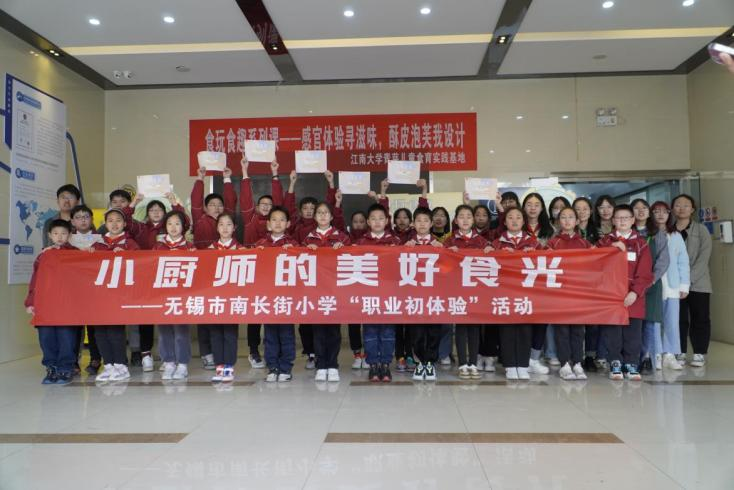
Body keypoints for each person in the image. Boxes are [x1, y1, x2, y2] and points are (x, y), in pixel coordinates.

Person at [597, 204, 653, 381]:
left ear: (633, 220)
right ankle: (615, 363)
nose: (622, 221)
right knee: (612, 333)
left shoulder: (641, 244)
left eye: (626, 218)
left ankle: (631, 364)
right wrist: (611, 249)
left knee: (633, 334)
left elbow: (645, 273)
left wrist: (635, 293)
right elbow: (596, 263)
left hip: (633, 298)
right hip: (611, 297)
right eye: (618, 218)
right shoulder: (604, 242)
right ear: (613, 221)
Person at [190, 165, 236, 370]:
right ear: (205, 208)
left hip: (227, 277)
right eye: (212, 205)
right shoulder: (200, 220)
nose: (216, 208)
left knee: (224, 317)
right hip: (204, 275)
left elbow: (232, 202)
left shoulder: (227, 223)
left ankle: (225, 360)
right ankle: (207, 354)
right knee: (205, 316)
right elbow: (195, 202)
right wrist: (200, 179)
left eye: (220, 205)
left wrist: (227, 179)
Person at [26, 219, 79, 385]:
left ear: (69, 235)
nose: (60, 237)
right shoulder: (44, 255)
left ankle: (65, 368)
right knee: (46, 337)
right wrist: (31, 302)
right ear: (50, 235)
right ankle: (51, 367)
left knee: (66, 337)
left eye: (63, 233)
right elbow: (35, 279)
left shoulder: (75, 253)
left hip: (66, 305)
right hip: (45, 304)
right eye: (56, 233)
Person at [444, 205, 494, 380]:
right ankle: (462, 364)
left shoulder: (481, 241)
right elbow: (441, 265)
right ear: (456, 220)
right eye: (461, 216)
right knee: (460, 327)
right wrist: (448, 254)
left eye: (468, 216)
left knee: (474, 327)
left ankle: (473, 363)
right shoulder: (449, 241)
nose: (465, 220)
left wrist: (489, 251)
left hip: (476, 290)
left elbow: (492, 262)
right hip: (457, 289)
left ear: (473, 220)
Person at [303, 202, 351, 382]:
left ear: (331, 217)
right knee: (318, 331)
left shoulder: (342, 237)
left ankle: (333, 365)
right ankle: (321, 365)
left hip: (335, 291)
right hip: (316, 292)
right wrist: (307, 250)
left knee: (333, 331)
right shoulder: (308, 238)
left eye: (326, 213)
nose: (323, 216)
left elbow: (353, 258)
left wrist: (343, 248)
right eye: (319, 213)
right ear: (315, 217)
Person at [491, 208, 541, 380]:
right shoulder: (497, 243)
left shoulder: (533, 243)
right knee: (507, 329)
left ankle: (523, 365)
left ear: (523, 221)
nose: (514, 220)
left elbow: (546, 261)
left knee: (525, 329)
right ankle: (510, 365)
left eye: (518, 217)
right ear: (504, 222)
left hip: (526, 292)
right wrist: (498, 254)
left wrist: (534, 255)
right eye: (510, 218)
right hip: (504, 292)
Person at [91, 208, 140, 382]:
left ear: (125, 224)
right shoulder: (98, 244)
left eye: (118, 220)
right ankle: (109, 365)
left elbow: (141, 264)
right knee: (99, 332)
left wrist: (127, 255)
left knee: (115, 330)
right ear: (105, 224)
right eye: (110, 220)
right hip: (99, 295)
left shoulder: (130, 244)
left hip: (119, 295)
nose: (114, 224)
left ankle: (121, 365)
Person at [357, 203, 402, 382]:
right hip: (368, 294)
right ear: (368, 221)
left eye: (381, 218)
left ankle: (385, 364)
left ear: (387, 221)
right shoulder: (360, 242)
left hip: (390, 294)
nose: (377, 222)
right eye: (373, 219)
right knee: (370, 331)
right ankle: (373, 365)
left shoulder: (396, 242)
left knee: (388, 332)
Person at [546, 207, 592, 380]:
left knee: (578, 330)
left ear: (577, 221)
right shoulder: (553, 243)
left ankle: (578, 362)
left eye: (571, 217)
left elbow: (596, 260)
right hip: (559, 292)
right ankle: (564, 363)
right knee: (562, 330)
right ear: (558, 222)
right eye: (563, 217)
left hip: (579, 293)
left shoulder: (585, 243)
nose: (567, 220)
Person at [256, 207, 300, 382]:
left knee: (287, 334)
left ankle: (286, 367)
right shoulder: (260, 244)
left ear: (288, 224)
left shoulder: (294, 244)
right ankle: (272, 367)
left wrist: (295, 252)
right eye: (274, 219)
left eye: (282, 219)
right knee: (270, 335)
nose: (278, 223)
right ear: (268, 224)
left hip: (286, 297)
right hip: (268, 298)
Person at [153, 210, 195, 380]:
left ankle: (182, 364)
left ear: (183, 226)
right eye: (170, 223)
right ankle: (169, 362)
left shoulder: (190, 247)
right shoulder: (158, 247)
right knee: (164, 331)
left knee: (181, 331)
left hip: (182, 295)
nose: (173, 227)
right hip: (162, 295)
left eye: (177, 223)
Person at [403, 207, 444, 381]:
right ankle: (420, 361)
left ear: (431, 223)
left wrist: (443, 250)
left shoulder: (439, 244)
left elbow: (449, 269)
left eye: (426, 221)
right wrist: (405, 249)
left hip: (435, 296)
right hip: (415, 296)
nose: (422, 224)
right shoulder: (407, 244)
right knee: (417, 331)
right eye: (418, 220)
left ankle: (430, 363)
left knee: (434, 331)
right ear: (413, 223)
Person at [672, 194, 711, 367]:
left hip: (699, 283)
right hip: (675, 283)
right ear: (673, 209)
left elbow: (704, 257)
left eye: (686, 205)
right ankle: (679, 351)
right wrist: (679, 281)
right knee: (678, 319)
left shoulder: (701, 230)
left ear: (692, 209)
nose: (681, 208)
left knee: (700, 318)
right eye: (678, 205)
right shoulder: (668, 230)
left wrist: (687, 280)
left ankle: (699, 353)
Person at [632, 199, 670, 373]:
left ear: (649, 212)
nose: (641, 211)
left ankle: (646, 358)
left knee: (650, 322)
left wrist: (651, 279)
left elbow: (664, 259)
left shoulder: (657, 233)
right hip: (631, 285)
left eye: (644, 208)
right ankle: (632, 357)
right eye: (636, 208)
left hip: (652, 284)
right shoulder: (628, 232)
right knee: (633, 323)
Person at [651, 201, 687, 371]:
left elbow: (683, 261)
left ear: (669, 214)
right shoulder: (648, 234)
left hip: (672, 284)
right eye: (656, 211)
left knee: (672, 321)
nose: (660, 215)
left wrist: (684, 285)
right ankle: (656, 353)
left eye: (664, 212)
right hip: (654, 284)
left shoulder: (676, 235)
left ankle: (670, 354)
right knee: (654, 322)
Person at [208, 213, 243, 383]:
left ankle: (229, 366)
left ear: (234, 228)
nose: (225, 228)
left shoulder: (242, 250)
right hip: (214, 298)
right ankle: (219, 366)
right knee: (215, 333)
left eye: (229, 224)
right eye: (221, 224)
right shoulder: (209, 250)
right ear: (217, 228)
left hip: (232, 298)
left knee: (230, 333)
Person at [521, 193, 555, 372]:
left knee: (541, 320)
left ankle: (534, 358)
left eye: (536, 204)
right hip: (521, 282)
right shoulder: (517, 227)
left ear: (542, 208)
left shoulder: (551, 230)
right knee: (523, 319)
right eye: (529, 204)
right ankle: (522, 357)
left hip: (543, 282)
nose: (532, 208)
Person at [69, 205, 102, 375]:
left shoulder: (101, 239)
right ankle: (73, 360)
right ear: (72, 221)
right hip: (74, 289)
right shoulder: (67, 240)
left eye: (86, 216)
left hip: (95, 288)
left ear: (92, 219)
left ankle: (95, 359)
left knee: (94, 326)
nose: (82, 220)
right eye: (78, 217)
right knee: (75, 327)